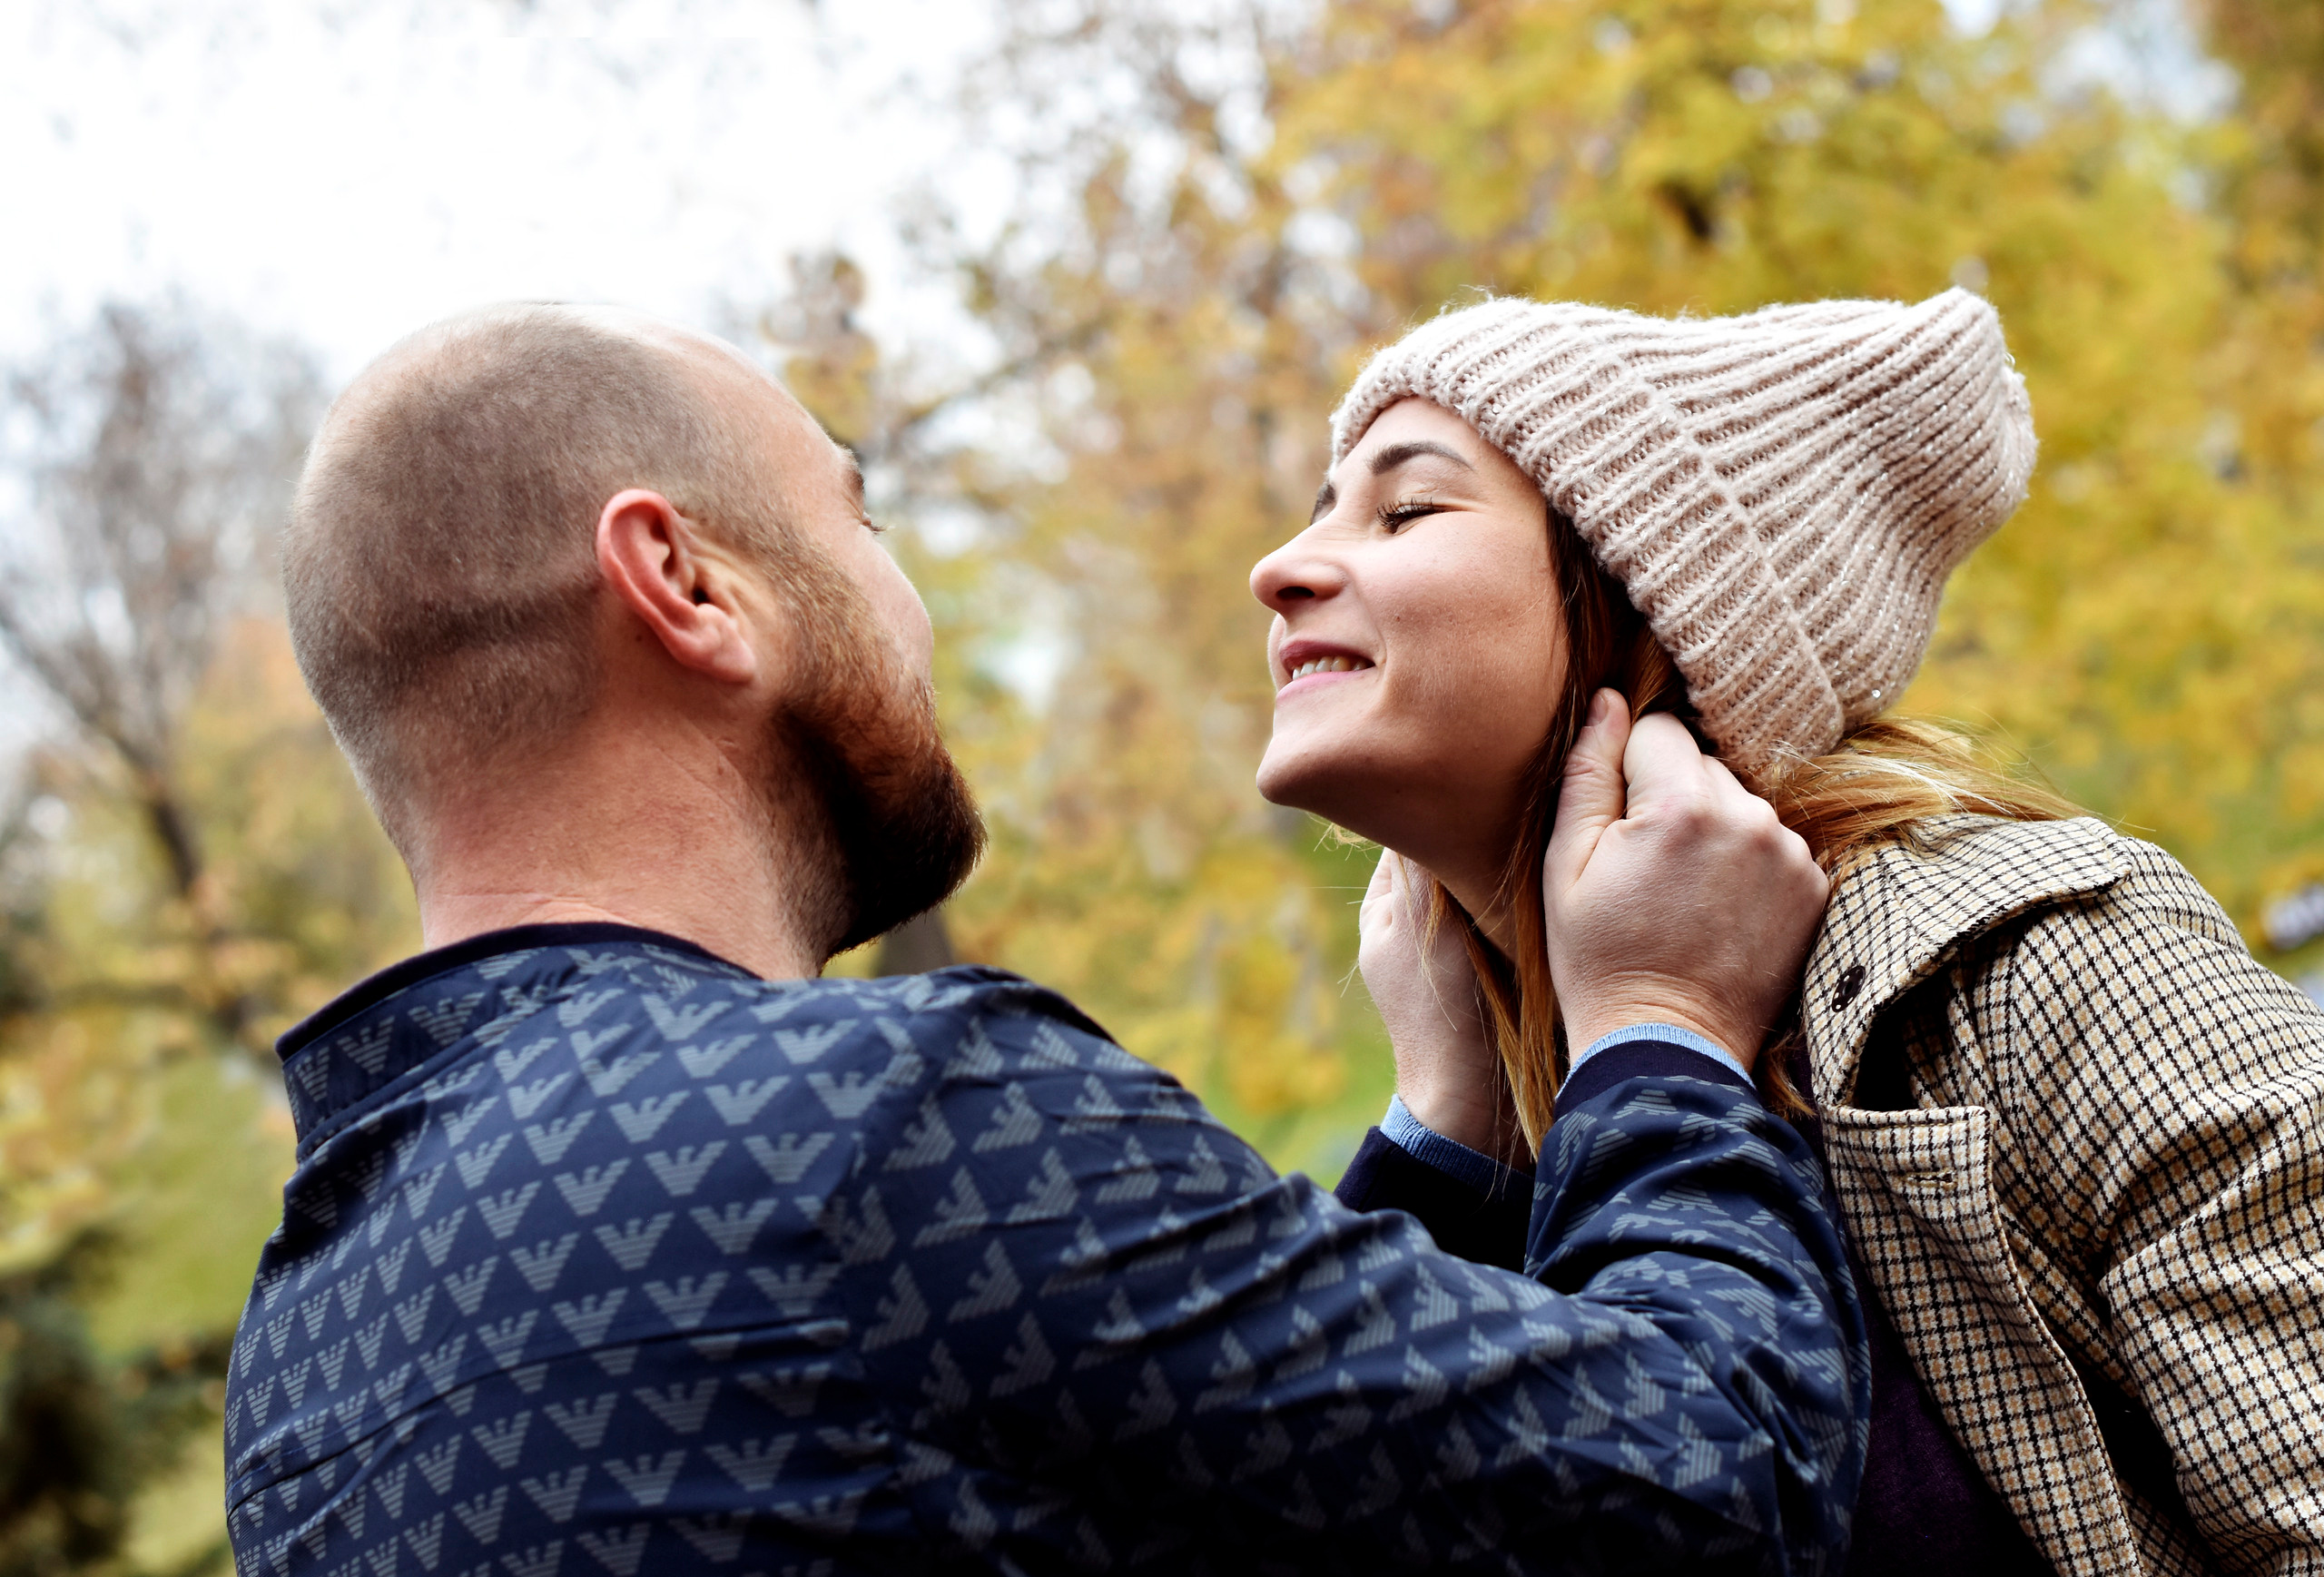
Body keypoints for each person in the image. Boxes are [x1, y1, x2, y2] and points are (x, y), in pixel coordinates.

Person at [222, 303, 1866, 1577]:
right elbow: (1711, 1487)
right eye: (860, 524)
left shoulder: (298, 1368)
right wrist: (1659, 1028)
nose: (911, 608)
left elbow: (1250, 1502)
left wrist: (1436, 1140)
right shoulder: (885, 1132)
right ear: (683, 582)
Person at [1252, 288, 2324, 1577]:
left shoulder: (2032, 962)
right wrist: (1441, 1136)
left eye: (1406, 507)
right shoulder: (1503, 1116)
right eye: (1322, 508)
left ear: (1651, 602)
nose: (1283, 565)